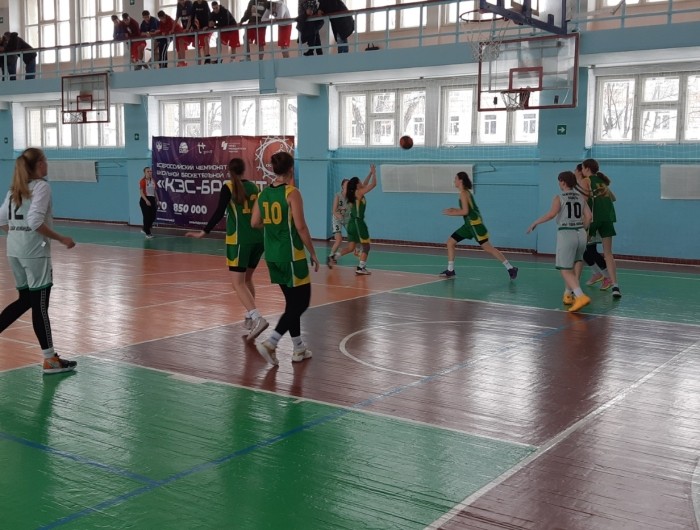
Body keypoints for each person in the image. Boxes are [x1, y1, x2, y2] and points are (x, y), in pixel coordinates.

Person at [0, 148, 77, 374]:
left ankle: (50, 358)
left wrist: (16, 235)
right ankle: (50, 360)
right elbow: (34, 221)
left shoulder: (15, 189)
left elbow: (1, 219)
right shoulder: (41, 187)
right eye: (45, 161)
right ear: (39, 165)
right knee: (40, 306)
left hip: (14, 251)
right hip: (34, 253)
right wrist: (61, 238)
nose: (47, 164)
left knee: (25, 300)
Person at [186, 158, 268, 340]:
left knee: (237, 283)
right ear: (244, 170)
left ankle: (257, 317)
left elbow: (218, 212)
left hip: (239, 240)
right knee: (247, 279)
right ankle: (249, 316)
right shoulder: (254, 187)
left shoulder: (228, 187)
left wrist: (204, 232)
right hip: (258, 239)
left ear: (229, 171)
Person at [251, 152, 319, 366]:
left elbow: (254, 222)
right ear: (291, 169)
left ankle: (298, 348)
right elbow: (300, 227)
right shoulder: (292, 193)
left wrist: (273, 226)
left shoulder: (263, 194)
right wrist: (313, 253)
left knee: (292, 303)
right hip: (291, 256)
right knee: (302, 303)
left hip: (272, 256)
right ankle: (271, 342)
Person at [527, 170, 592, 312]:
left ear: (563, 182)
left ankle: (580, 296)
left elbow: (551, 215)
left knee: (564, 269)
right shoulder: (581, 197)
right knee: (576, 263)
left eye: (559, 181)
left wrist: (535, 222)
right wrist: (583, 229)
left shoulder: (559, 197)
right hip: (581, 233)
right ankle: (568, 294)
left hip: (566, 233)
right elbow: (589, 216)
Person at [439, 171, 518, 280]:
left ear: (460, 180)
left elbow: (465, 212)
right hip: (468, 225)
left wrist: (452, 213)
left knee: (488, 248)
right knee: (450, 242)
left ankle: (510, 268)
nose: (454, 181)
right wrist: (454, 209)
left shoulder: (464, 193)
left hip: (474, 225)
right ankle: (450, 270)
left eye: (455, 179)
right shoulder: (465, 192)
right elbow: (468, 210)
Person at [581, 158, 621, 299]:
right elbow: (613, 198)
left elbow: (583, 201)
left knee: (580, 249)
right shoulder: (602, 182)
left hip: (594, 219)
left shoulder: (586, 181)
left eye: (583, 168)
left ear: (586, 168)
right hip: (608, 219)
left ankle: (572, 288)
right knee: (608, 253)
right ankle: (615, 286)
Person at [330, 165, 377, 274]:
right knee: (366, 246)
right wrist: (374, 173)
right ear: (357, 184)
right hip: (358, 223)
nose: (362, 183)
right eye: (360, 181)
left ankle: (334, 257)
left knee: (351, 247)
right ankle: (361, 268)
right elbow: (373, 184)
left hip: (351, 223)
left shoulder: (353, 193)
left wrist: (370, 173)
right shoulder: (359, 193)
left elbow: (365, 184)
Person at [574, 163, 612, 290]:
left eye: (575, 169)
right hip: (587, 220)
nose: (574, 171)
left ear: (582, 171)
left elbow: (584, 202)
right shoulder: (580, 184)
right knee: (584, 250)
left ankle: (607, 276)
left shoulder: (586, 182)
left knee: (589, 250)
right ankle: (597, 273)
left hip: (591, 220)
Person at [326, 178, 350, 266]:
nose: (347, 185)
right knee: (339, 240)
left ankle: (356, 251)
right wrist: (339, 214)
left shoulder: (350, 197)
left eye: (349, 184)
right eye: (346, 184)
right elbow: (333, 210)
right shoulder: (337, 195)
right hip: (337, 219)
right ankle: (331, 256)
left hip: (346, 218)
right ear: (342, 186)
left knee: (353, 236)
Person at [139, 167, 159, 239]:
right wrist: (146, 200)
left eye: (150, 171)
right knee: (146, 216)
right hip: (145, 200)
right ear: (145, 173)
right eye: (148, 171)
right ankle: (148, 233)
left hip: (152, 199)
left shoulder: (153, 181)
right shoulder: (142, 181)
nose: (150, 172)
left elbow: (155, 191)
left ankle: (145, 228)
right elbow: (141, 193)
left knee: (153, 216)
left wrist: (158, 200)